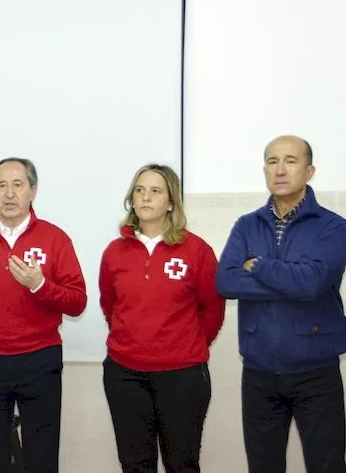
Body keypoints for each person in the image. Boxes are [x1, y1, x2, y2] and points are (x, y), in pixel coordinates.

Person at [216, 135, 346, 473]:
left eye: (290, 161)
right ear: (264, 171)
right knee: (263, 465)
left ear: (310, 171)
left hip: (315, 372)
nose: (280, 169)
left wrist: (258, 266)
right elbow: (226, 281)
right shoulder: (247, 225)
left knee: (327, 464)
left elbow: (314, 283)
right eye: (272, 162)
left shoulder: (333, 227)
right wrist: (294, 282)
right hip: (259, 372)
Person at [0, 157, 86, 473]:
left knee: (42, 454)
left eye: (18, 185)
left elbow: (77, 302)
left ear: (33, 191)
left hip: (40, 360)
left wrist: (40, 285)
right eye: (1, 185)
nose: (9, 194)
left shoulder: (55, 238)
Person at [99, 164, 225, 473]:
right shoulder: (115, 252)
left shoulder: (197, 250)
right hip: (125, 375)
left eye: (155, 191)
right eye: (139, 190)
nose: (145, 197)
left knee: (181, 464)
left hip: (182, 377)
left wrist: (185, 344)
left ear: (170, 202)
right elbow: (109, 304)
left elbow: (213, 309)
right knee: (134, 464)